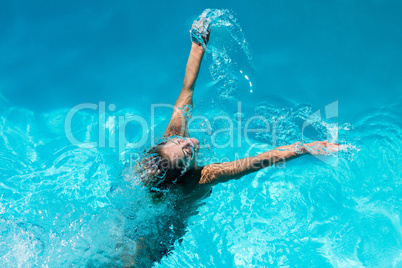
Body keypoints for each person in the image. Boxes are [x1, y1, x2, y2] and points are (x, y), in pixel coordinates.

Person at [124, 16, 339, 267]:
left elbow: (187, 89)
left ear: (165, 142)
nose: (188, 143)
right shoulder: (201, 177)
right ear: (184, 171)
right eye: (186, 154)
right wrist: (304, 148)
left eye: (178, 143)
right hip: (167, 231)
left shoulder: (171, 138)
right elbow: (256, 162)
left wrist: (197, 46)